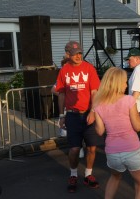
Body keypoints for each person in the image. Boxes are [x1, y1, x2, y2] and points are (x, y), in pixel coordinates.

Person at [93, 67, 140, 199]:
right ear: (117, 83)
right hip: (132, 150)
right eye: (125, 82)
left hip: (112, 152)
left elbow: (100, 131)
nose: (126, 85)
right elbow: (137, 126)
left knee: (114, 178)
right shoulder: (128, 100)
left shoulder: (98, 104)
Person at [55, 40, 104, 193]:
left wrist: (93, 111)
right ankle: (73, 174)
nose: (78, 56)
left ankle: (88, 174)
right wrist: (62, 115)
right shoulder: (64, 70)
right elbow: (61, 94)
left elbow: (95, 92)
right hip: (73, 116)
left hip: (89, 114)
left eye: (80, 53)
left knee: (92, 148)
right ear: (67, 54)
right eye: (75, 53)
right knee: (75, 149)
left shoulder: (89, 68)